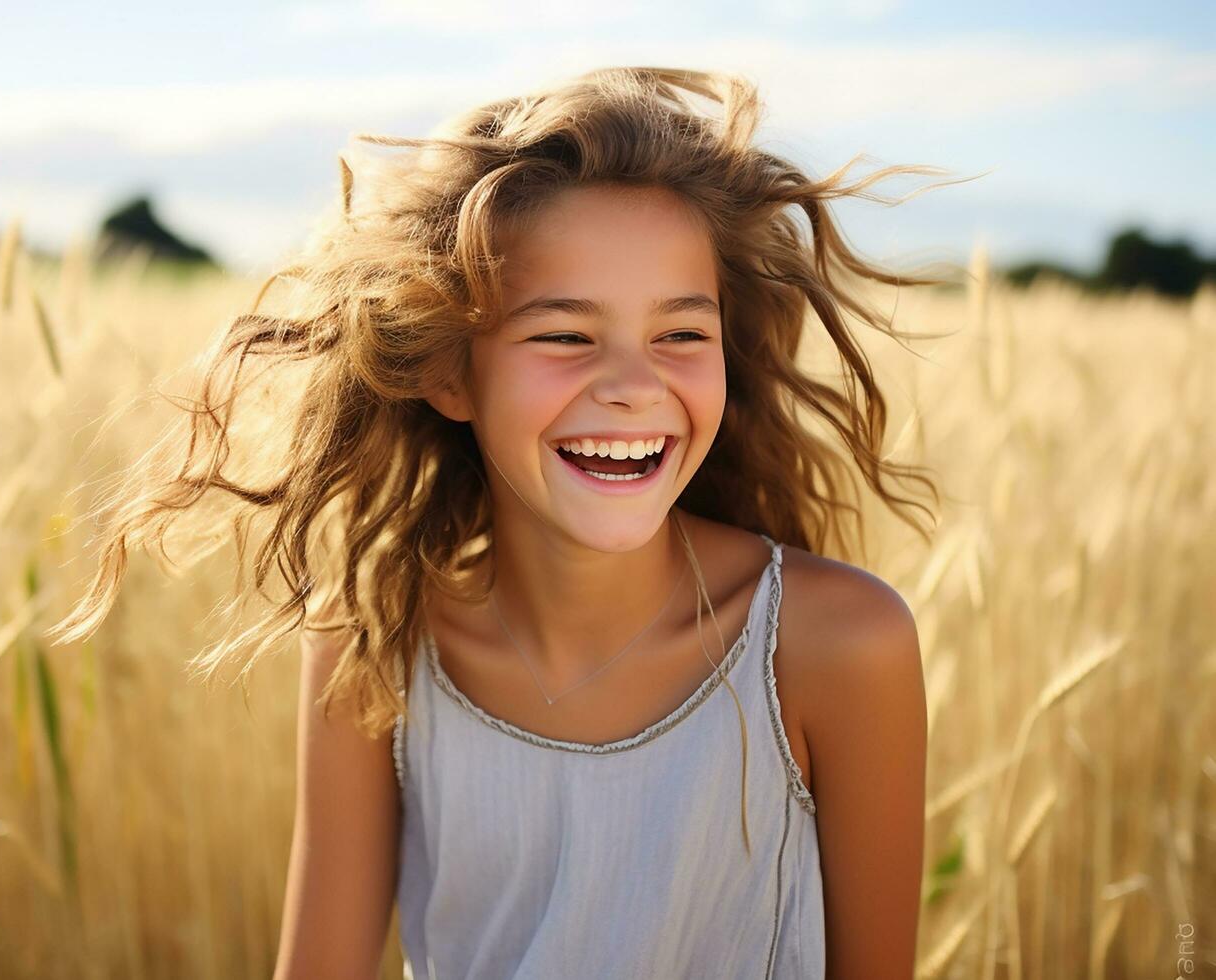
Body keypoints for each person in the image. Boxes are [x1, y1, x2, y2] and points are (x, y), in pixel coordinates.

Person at [53, 66, 946, 979]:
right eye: (563, 335)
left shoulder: (835, 646)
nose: (636, 386)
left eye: (682, 334)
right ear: (450, 375)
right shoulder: (375, 639)